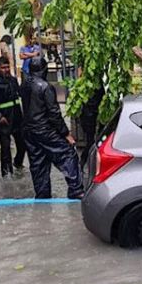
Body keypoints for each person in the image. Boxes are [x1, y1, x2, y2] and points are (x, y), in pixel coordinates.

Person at [20, 56, 84, 199]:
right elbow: (54, 114)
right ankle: (76, 189)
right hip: (44, 130)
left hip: (29, 131)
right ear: (45, 70)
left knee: (38, 163)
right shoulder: (45, 87)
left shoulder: (24, 85)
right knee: (68, 154)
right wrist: (66, 134)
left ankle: (42, 195)